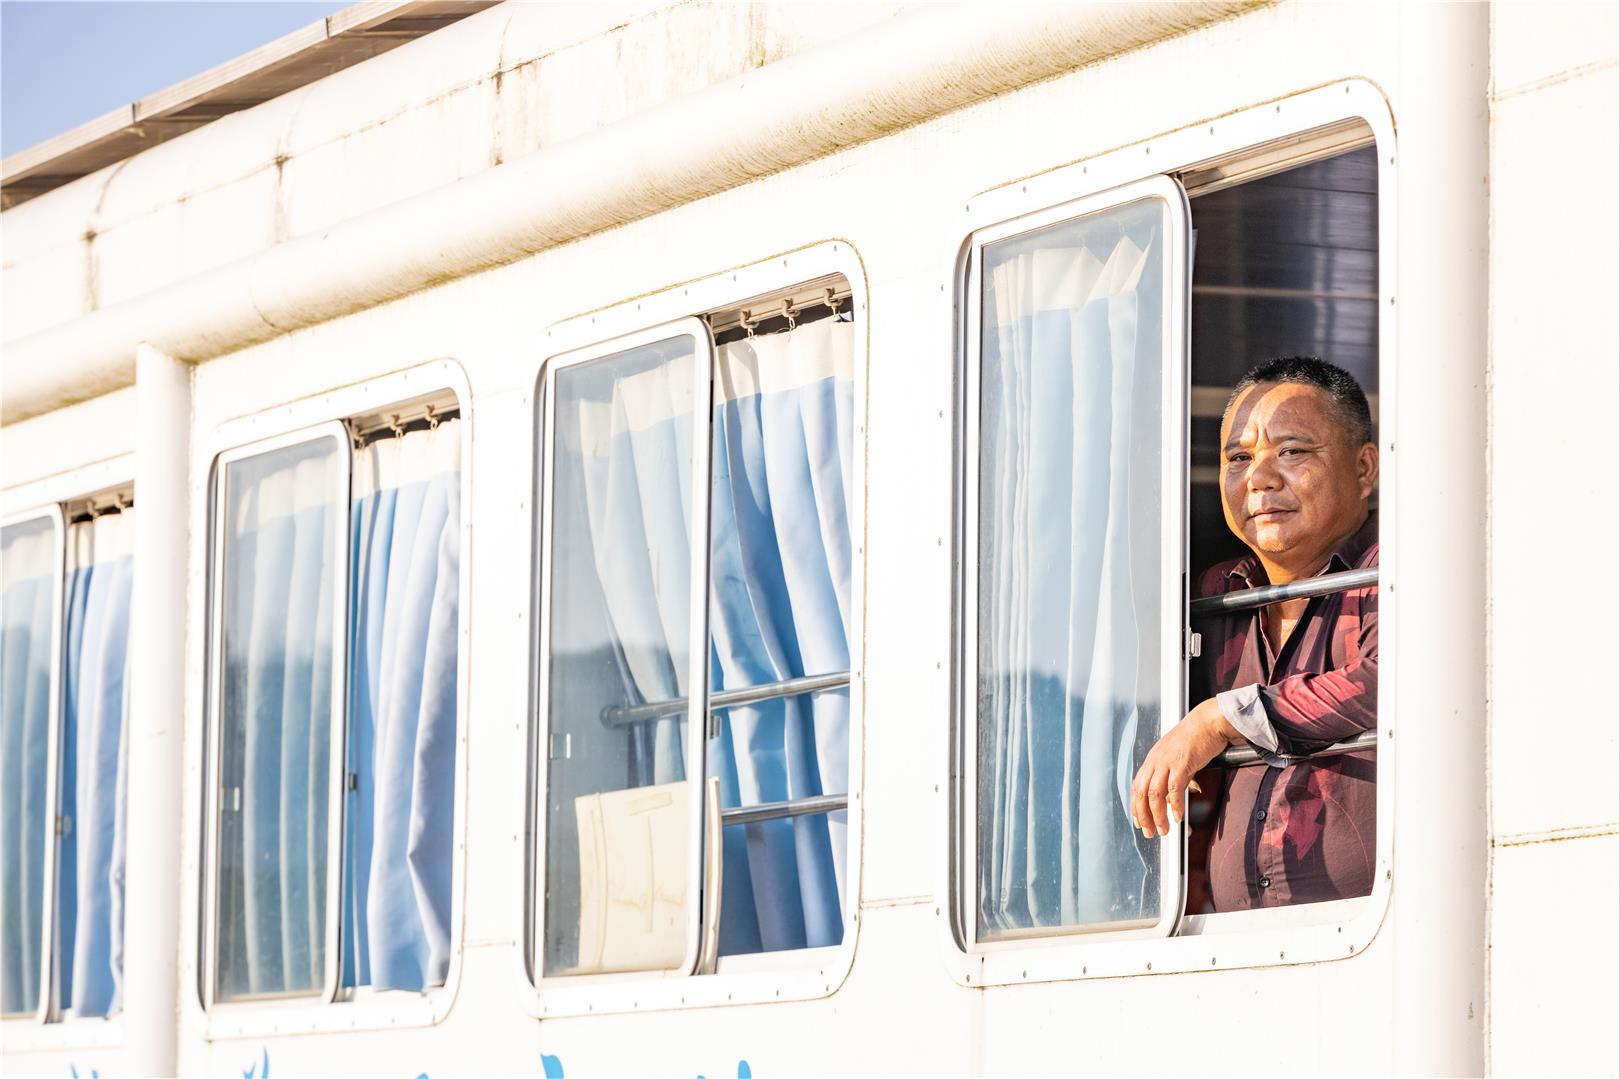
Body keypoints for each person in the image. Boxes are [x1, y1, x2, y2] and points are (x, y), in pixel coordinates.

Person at [1130, 356, 1379, 910]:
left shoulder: (1392, 566)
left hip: (1372, 930)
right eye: (1239, 458)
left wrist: (1224, 717)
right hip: (1235, 936)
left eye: (1291, 452)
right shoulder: (1215, 595)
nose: (1260, 478)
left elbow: (1387, 684)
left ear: (1364, 469)